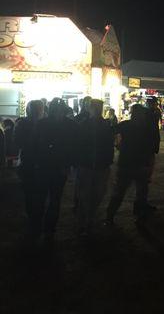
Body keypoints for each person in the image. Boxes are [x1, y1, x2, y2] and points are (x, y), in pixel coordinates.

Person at [34, 98, 78, 240]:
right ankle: (41, 226)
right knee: (44, 198)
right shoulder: (67, 125)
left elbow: (74, 147)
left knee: (54, 199)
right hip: (47, 167)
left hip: (56, 168)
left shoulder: (45, 124)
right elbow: (35, 145)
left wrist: (69, 165)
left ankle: (48, 228)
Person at [106, 105, 155, 224]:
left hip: (126, 163)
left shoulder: (126, 125)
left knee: (120, 191)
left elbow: (111, 131)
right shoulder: (147, 128)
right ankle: (139, 216)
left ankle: (110, 216)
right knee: (141, 192)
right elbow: (150, 148)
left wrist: (118, 144)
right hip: (140, 164)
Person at [76, 99, 114, 236]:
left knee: (97, 194)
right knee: (86, 195)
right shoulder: (84, 124)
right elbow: (78, 146)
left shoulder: (104, 125)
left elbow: (109, 145)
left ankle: (88, 220)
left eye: (99, 107)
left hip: (99, 165)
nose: (97, 110)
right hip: (88, 165)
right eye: (95, 107)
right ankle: (86, 222)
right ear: (90, 109)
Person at [14, 100, 45, 240]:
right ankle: (36, 220)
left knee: (30, 193)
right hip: (39, 164)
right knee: (38, 194)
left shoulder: (22, 123)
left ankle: (33, 219)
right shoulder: (45, 124)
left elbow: (17, 143)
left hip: (28, 163)